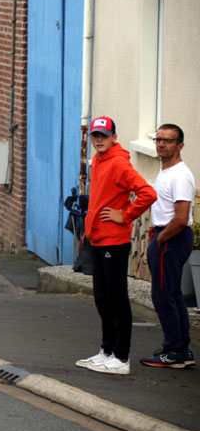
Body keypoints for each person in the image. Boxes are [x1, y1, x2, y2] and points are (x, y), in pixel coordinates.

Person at [75, 116, 157, 375]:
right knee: (102, 297)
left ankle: (121, 358)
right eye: (95, 136)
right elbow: (100, 198)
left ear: (114, 138)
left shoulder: (119, 163)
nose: (98, 140)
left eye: (103, 135)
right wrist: (87, 231)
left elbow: (148, 193)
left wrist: (126, 214)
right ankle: (107, 351)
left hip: (114, 240)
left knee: (116, 297)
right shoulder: (99, 160)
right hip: (98, 238)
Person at [140, 124, 196, 368]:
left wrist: (160, 239)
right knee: (172, 294)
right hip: (166, 235)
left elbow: (182, 218)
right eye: (159, 140)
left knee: (163, 295)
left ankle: (174, 350)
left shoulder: (180, 175)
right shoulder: (166, 171)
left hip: (171, 236)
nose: (161, 144)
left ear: (180, 145)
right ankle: (181, 350)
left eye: (168, 141)